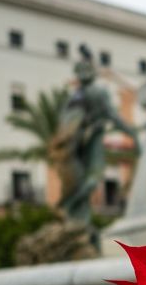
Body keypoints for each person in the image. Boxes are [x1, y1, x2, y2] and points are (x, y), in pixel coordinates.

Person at [53, 45, 140, 225]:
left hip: (75, 146)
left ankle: (72, 212)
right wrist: (133, 134)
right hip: (92, 139)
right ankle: (70, 206)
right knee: (93, 179)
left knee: (85, 180)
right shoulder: (97, 92)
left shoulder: (74, 96)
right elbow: (113, 117)